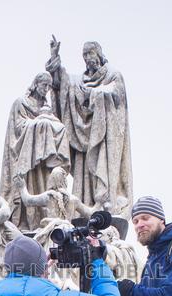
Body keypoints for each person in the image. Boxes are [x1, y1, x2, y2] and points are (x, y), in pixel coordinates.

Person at [45, 38, 132, 218]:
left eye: (90, 53)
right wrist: (55, 59)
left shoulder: (113, 75)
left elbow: (116, 94)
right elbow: (62, 85)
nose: (87, 58)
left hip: (105, 140)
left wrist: (93, 93)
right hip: (84, 140)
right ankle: (83, 209)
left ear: (98, 54)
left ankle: (103, 203)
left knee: (102, 172)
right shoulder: (80, 80)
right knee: (84, 176)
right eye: (84, 54)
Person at [0, 73, 70, 231]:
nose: (46, 89)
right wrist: (39, 125)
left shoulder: (48, 110)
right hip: (27, 156)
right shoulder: (21, 103)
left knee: (44, 184)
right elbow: (17, 128)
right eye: (44, 85)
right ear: (36, 83)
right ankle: (26, 222)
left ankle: (40, 221)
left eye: (48, 86)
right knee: (29, 185)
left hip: (43, 160)